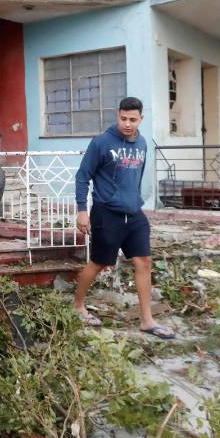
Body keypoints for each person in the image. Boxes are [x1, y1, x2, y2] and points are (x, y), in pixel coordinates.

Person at [72, 97, 174, 339]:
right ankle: (77, 306)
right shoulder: (101, 143)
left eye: (133, 119)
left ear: (141, 119)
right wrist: (82, 210)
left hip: (134, 213)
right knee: (99, 262)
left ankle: (147, 320)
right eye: (123, 118)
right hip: (106, 212)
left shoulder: (142, 143)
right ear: (117, 115)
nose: (127, 124)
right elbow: (82, 176)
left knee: (144, 262)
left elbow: (137, 178)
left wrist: (135, 201)